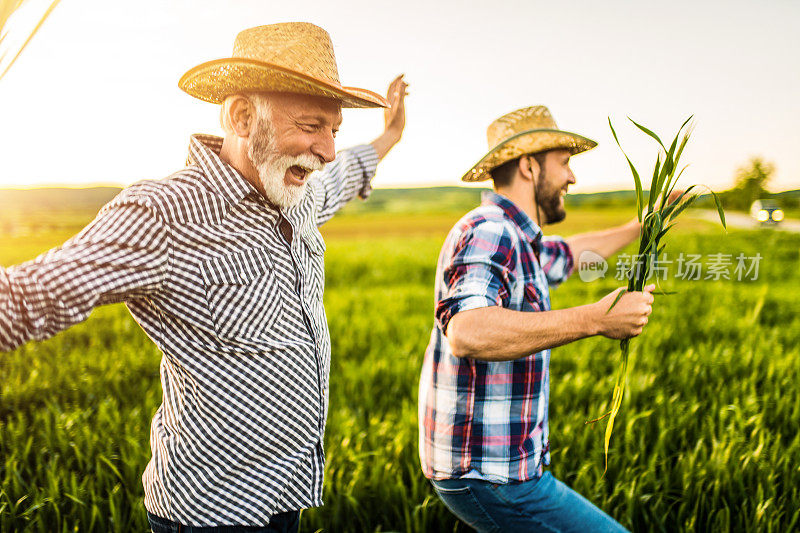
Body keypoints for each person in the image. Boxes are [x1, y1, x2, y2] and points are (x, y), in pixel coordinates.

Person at [0, 23, 407, 532]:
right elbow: (29, 296)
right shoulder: (163, 213)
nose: (325, 150)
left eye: (333, 130)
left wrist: (388, 136)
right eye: (310, 126)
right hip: (209, 516)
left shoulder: (296, 192)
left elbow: (342, 177)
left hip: (285, 498)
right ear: (241, 116)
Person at [418, 106, 675, 532]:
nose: (572, 177)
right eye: (565, 163)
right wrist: (597, 319)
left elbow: (572, 253)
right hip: (491, 473)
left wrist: (642, 225)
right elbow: (468, 330)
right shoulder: (490, 228)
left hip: (494, 467)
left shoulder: (520, 236)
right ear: (528, 165)